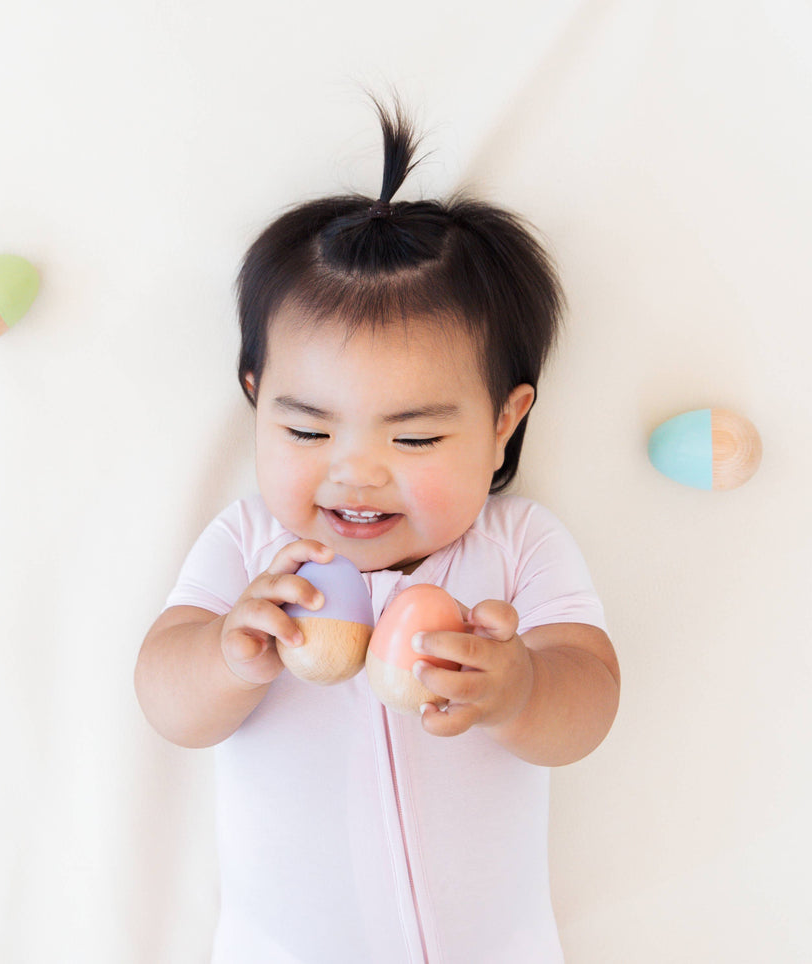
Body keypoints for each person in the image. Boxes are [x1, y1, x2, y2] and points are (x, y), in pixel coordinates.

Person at [135, 94, 620, 964]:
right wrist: (225, 651)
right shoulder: (251, 548)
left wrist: (518, 690)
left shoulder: (517, 549)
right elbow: (166, 702)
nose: (355, 471)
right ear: (255, 396)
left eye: (416, 436)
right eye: (308, 431)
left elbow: (587, 707)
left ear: (504, 423)